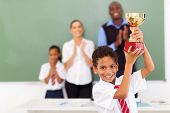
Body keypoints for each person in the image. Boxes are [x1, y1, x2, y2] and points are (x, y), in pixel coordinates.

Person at [92, 27, 154, 113]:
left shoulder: (124, 80)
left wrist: (141, 42)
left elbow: (149, 68)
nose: (108, 71)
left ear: (117, 67)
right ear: (95, 69)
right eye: (103, 67)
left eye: (112, 66)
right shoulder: (98, 89)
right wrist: (129, 63)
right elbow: (122, 94)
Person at [98, 1, 136, 78]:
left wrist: (126, 39)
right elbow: (101, 52)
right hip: (110, 71)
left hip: (130, 70)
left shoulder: (132, 26)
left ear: (121, 10)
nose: (115, 11)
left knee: (131, 90)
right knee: (114, 91)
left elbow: (136, 49)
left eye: (117, 8)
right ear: (109, 12)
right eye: (112, 9)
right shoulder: (104, 28)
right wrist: (116, 44)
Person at [62, 20, 95, 98]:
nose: (77, 29)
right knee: (73, 108)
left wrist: (82, 50)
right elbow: (66, 66)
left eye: (79, 27)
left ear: (82, 29)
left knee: (84, 108)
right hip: (70, 81)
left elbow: (91, 64)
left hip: (86, 81)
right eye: (74, 27)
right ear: (71, 30)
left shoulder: (89, 44)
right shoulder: (67, 45)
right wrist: (74, 53)